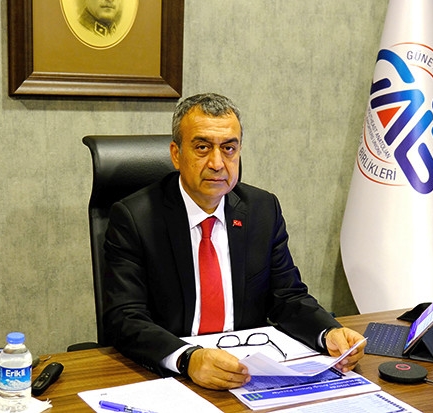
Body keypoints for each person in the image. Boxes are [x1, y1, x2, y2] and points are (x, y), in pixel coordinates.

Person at [103, 93, 365, 391]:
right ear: (176, 154)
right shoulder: (135, 218)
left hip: (250, 371)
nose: (217, 163)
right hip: (175, 376)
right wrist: (188, 359)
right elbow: (125, 318)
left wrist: (327, 332)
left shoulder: (262, 209)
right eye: (202, 147)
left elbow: (288, 297)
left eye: (228, 148)